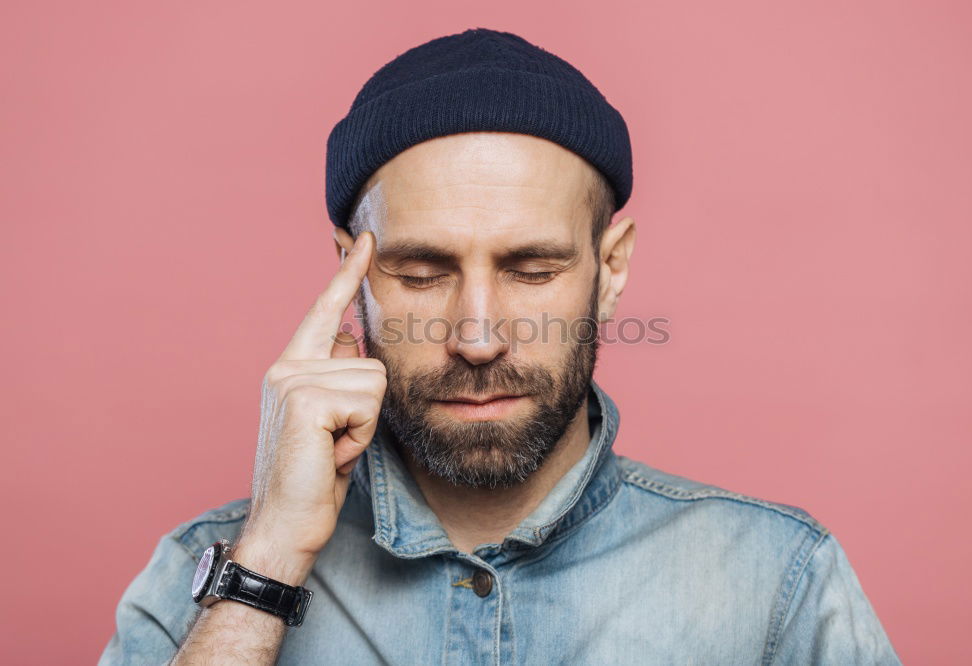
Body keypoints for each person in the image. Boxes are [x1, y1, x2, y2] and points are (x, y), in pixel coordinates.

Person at [100, 27, 901, 665]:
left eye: (532, 269)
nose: (477, 337)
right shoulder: (200, 580)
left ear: (610, 269)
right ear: (350, 271)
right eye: (420, 272)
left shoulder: (779, 584)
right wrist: (268, 559)